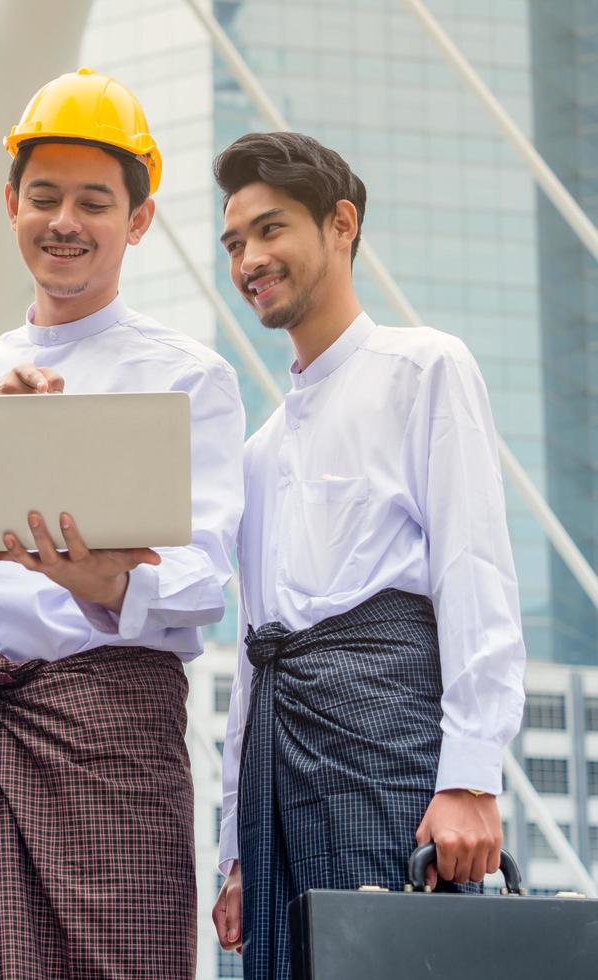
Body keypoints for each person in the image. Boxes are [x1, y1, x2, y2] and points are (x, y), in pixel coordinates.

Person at [0, 68, 245, 978]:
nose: (63, 222)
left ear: (138, 220)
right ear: (8, 204)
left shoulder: (188, 376)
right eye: (43, 198)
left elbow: (205, 585)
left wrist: (105, 579)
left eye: (92, 202)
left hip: (111, 739)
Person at [208, 132, 526, 979]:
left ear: (340, 223)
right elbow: (250, 660)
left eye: (270, 230)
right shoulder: (257, 449)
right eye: (234, 242)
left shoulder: (423, 367)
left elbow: (475, 573)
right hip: (278, 762)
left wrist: (469, 777)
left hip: (389, 743)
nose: (249, 259)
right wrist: (233, 847)